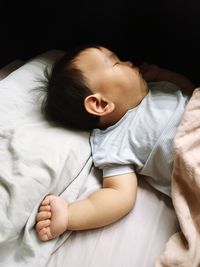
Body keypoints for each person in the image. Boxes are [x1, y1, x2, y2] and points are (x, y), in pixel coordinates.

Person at [35, 43, 195, 241]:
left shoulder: (158, 89)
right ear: (100, 104)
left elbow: (189, 90)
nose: (128, 62)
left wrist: (163, 74)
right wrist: (69, 216)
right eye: (116, 63)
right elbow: (119, 196)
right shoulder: (113, 141)